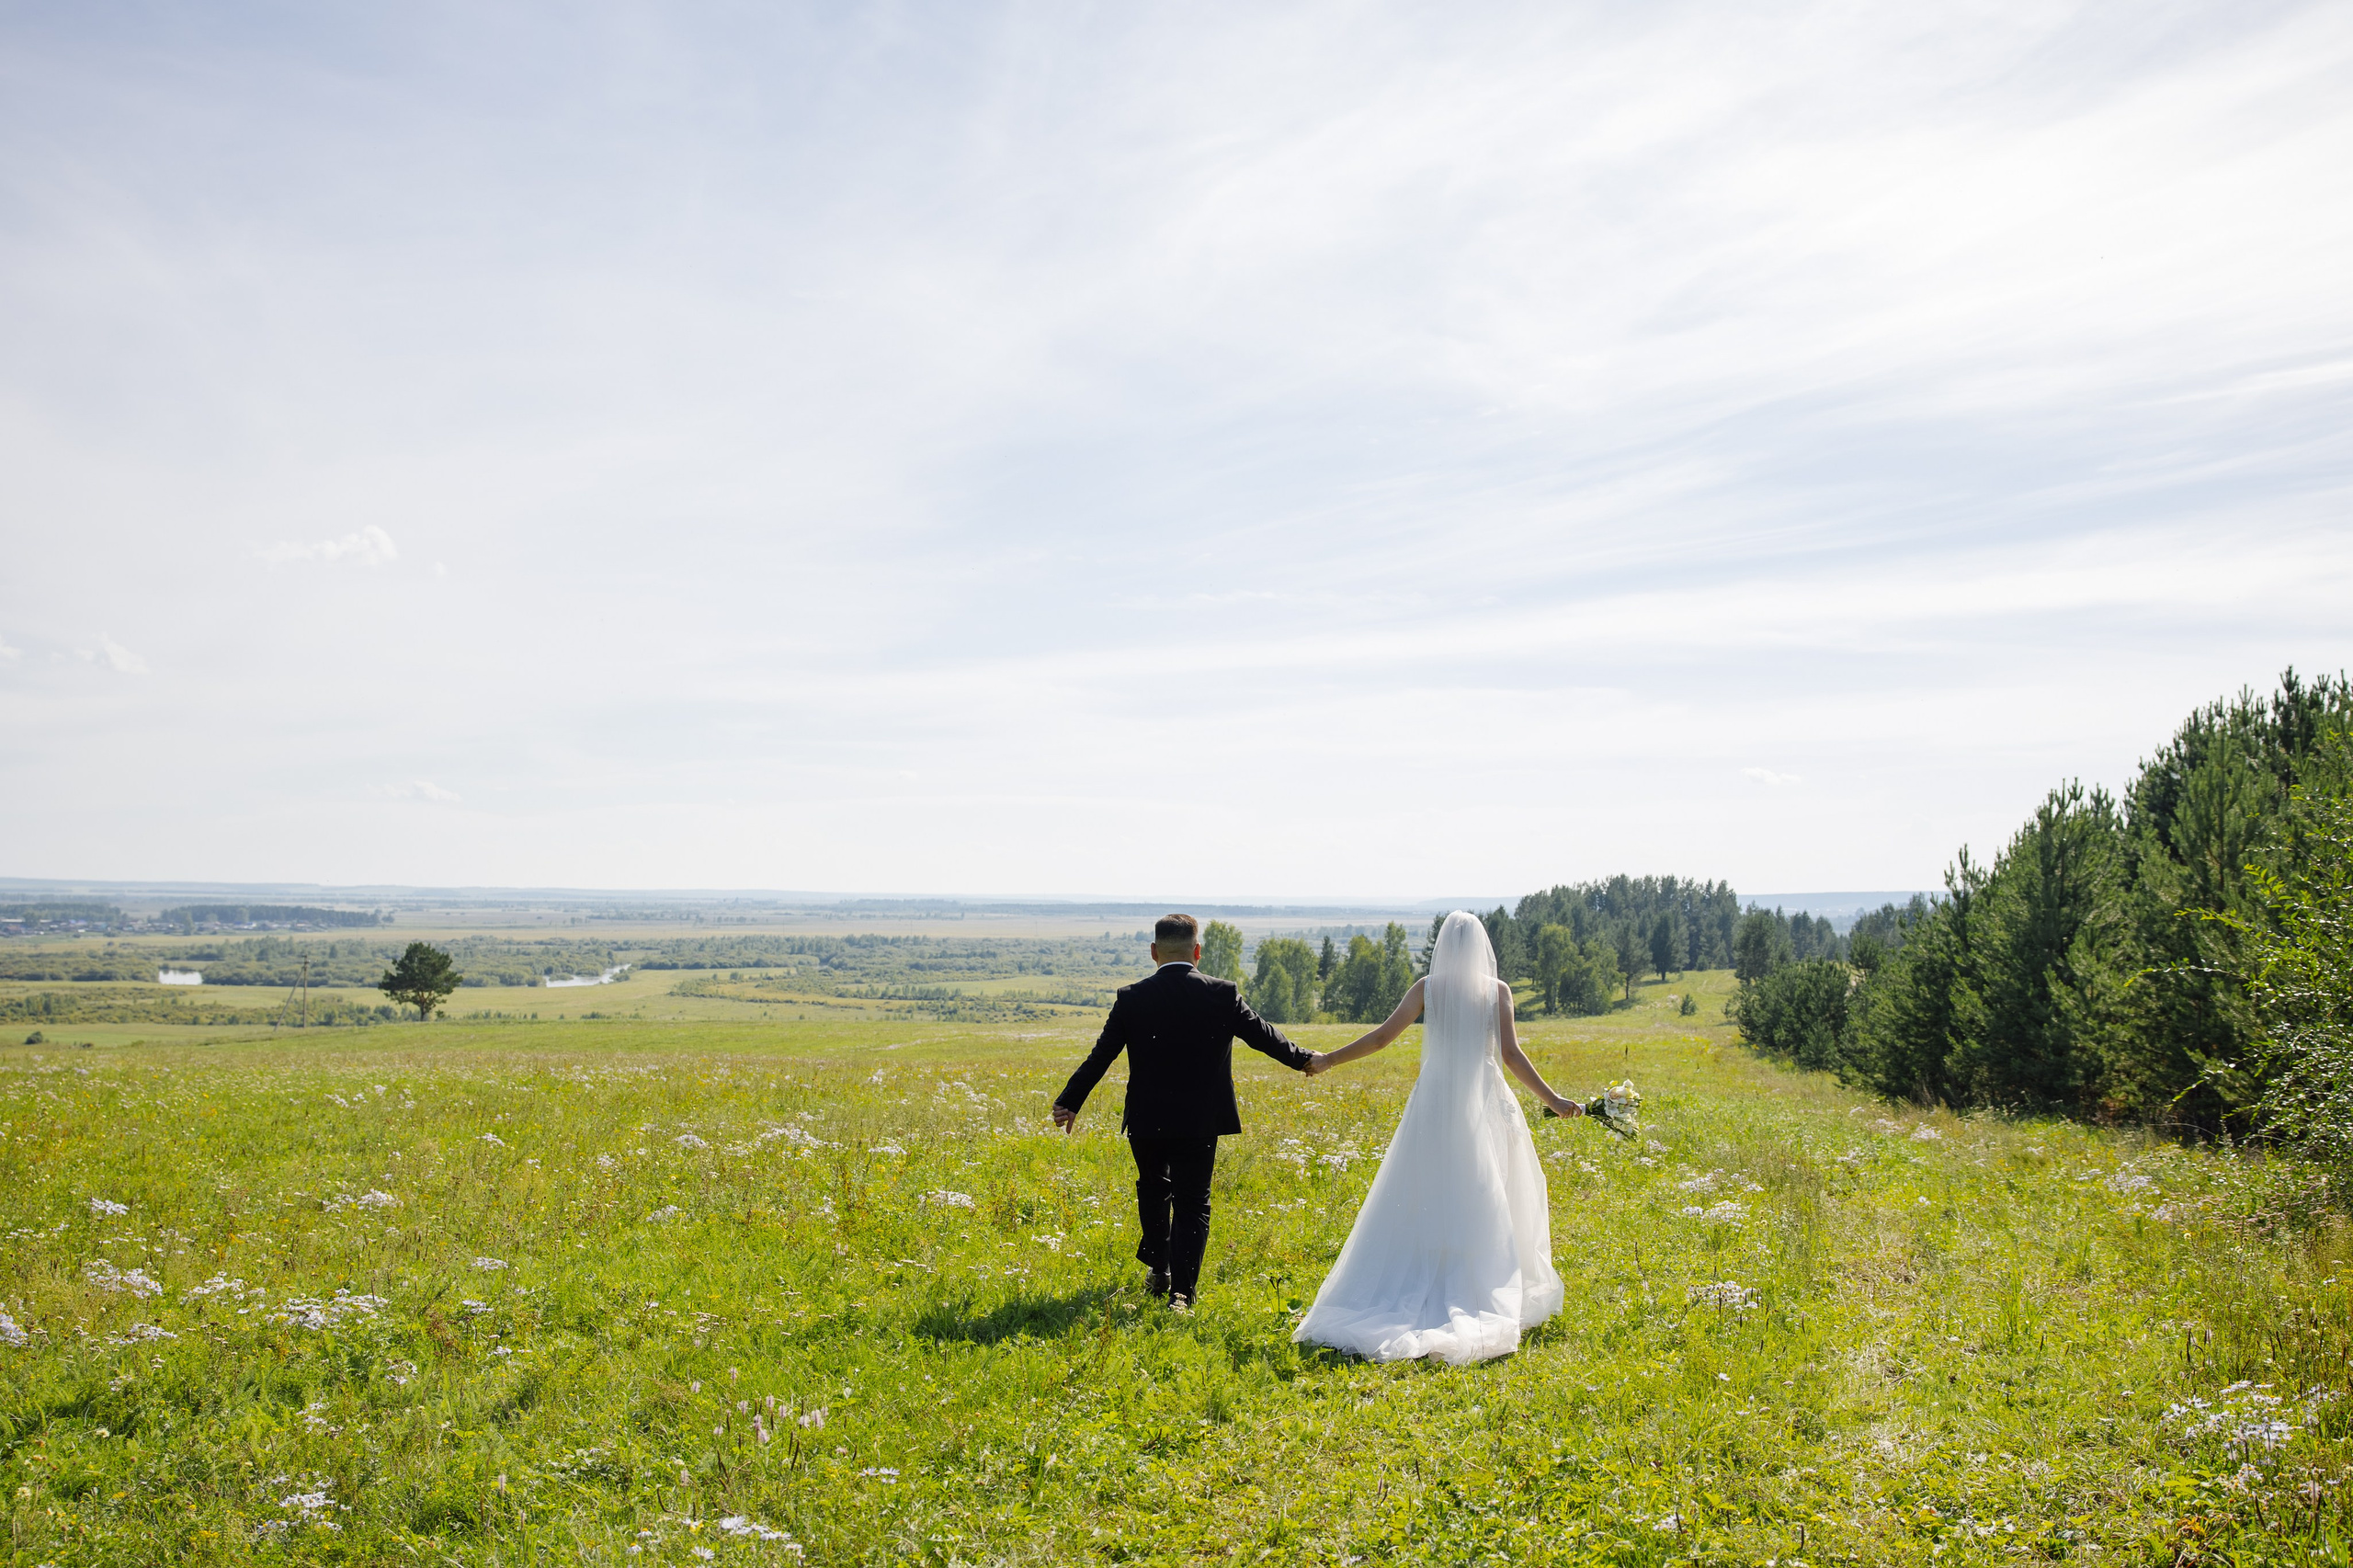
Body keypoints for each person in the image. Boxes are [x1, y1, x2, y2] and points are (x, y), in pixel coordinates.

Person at [1292, 910, 1576, 1363]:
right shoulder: (1496, 991)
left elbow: (1383, 1038)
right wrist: (1554, 1099)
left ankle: (1435, 1265)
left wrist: (1328, 1060)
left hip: (1437, 1098)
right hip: (1482, 1097)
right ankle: (1482, 1273)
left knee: (1430, 1184)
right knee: (1487, 1187)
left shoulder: (1428, 988)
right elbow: (1510, 1055)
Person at [1051, 913, 1320, 1312]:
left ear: (1154, 952)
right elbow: (1264, 1036)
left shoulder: (1132, 997)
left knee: (1153, 1190)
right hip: (1199, 1120)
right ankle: (1183, 1293)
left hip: (1147, 1118)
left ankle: (1160, 1271)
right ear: (1197, 951)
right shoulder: (1222, 993)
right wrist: (1304, 1060)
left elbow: (1101, 1056)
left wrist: (1069, 1101)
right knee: (1194, 1202)